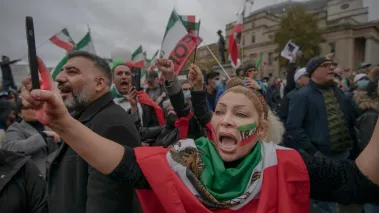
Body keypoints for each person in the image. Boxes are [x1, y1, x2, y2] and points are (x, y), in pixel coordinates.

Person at [22, 58, 379, 213]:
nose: (225, 120)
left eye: (240, 114)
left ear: (261, 128)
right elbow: (126, 165)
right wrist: (65, 124)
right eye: (221, 111)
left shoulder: (288, 165)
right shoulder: (185, 159)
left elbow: (359, 183)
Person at [39, 52, 142, 213]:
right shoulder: (81, 119)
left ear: (99, 84)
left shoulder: (112, 125)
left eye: (72, 72)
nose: (59, 78)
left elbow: (108, 205)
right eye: (62, 71)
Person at [285, 56, 358, 213]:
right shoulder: (302, 96)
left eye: (331, 65)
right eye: (325, 65)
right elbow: (294, 128)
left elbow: (350, 119)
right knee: (325, 203)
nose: (331, 68)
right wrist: (313, 153)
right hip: (320, 157)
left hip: (343, 155)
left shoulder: (338, 92)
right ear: (313, 72)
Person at [3, 103, 61, 177]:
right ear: (20, 113)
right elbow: (10, 149)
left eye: (37, 107)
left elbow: (59, 147)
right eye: (29, 108)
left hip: (55, 172)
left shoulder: (50, 125)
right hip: (32, 175)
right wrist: (42, 135)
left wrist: (50, 159)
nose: (34, 110)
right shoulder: (16, 128)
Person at [111, 60, 160, 128]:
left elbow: (153, 125)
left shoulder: (143, 99)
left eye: (127, 73)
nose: (124, 76)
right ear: (113, 79)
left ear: (131, 78)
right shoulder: (107, 101)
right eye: (119, 73)